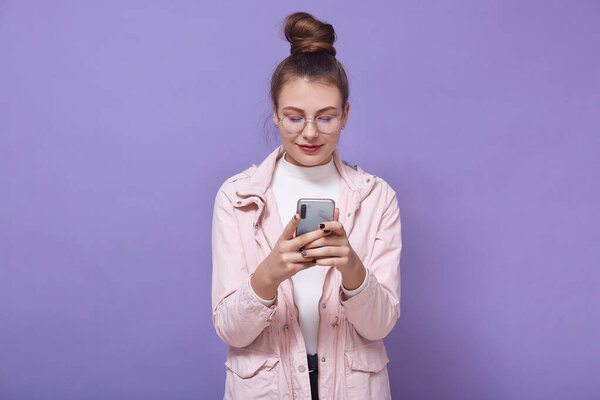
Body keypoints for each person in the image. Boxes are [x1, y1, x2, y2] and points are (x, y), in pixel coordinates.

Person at [211, 11, 402, 400]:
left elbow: (380, 327)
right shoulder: (238, 197)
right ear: (276, 114)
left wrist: (351, 267)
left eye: (326, 117)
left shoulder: (377, 197)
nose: (310, 133)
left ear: (345, 115)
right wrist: (269, 275)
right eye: (294, 117)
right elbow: (231, 330)